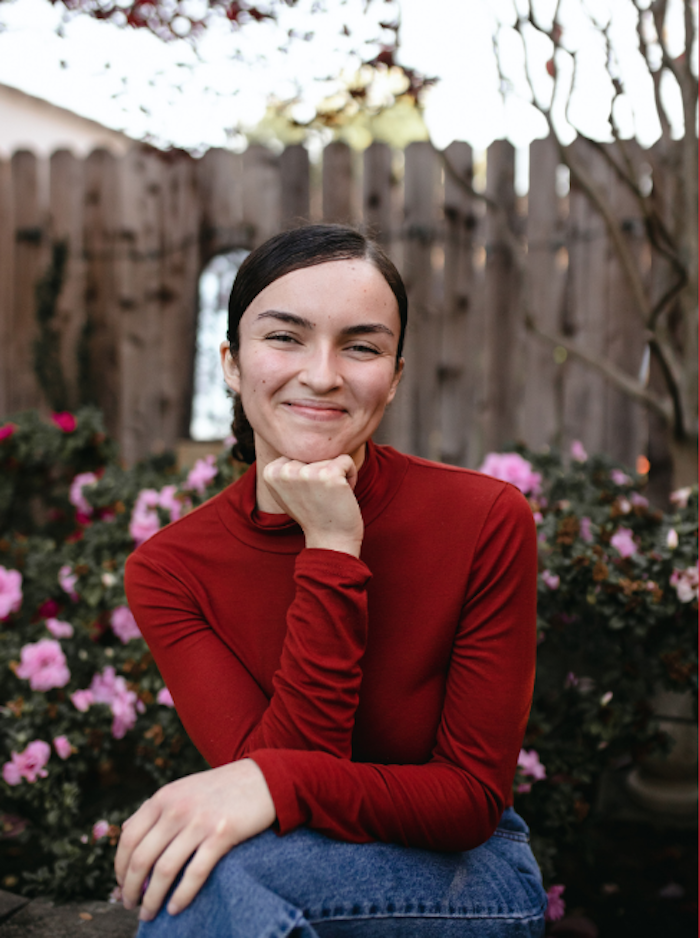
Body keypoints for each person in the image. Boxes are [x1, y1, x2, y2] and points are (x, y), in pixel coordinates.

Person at [116, 224, 548, 937]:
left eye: (361, 346)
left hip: (469, 870)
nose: (322, 374)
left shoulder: (483, 517)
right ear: (231, 361)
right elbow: (281, 795)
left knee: (214, 880)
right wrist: (330, 553)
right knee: (225, 880)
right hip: (278, 862)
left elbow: (468, 799)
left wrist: (334, 547)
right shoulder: (170, 569)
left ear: (396, 375)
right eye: (285, 337)